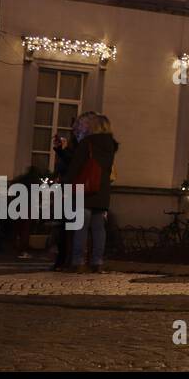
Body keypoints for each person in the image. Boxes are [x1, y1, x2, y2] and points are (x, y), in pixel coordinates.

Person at [63, 112, 118, 274]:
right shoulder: (111, 146)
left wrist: (66, 184)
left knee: (81, 228)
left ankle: (78, 262)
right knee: (98, 229)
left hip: (84, 191)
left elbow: (76, 166)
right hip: (102, 192)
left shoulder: (87, 143)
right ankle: (97, 262)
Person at [49, 133, 74, 270]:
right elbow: (59, 172)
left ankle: (63, 259)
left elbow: (67, 166)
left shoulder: (69, 155)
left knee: (65, 229)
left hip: (68, 194)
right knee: (60, 228)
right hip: (62, 193)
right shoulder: (63, 157)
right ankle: (60, 259)